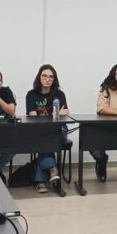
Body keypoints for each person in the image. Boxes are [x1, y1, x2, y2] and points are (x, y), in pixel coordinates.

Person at [25, 64, 69, 194]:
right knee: (44, 138)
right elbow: (33, 116)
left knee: (47, 138)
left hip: (59, 129)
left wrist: (58, 115)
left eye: (51, 77)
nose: (48, 79)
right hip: (39, 130)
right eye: (44, 76)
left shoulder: (59, 94)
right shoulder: (31, 94)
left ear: (54, 79)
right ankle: (52, 169)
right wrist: (54, 115)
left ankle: (42, 180)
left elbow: (65, 112)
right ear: (39, 77)